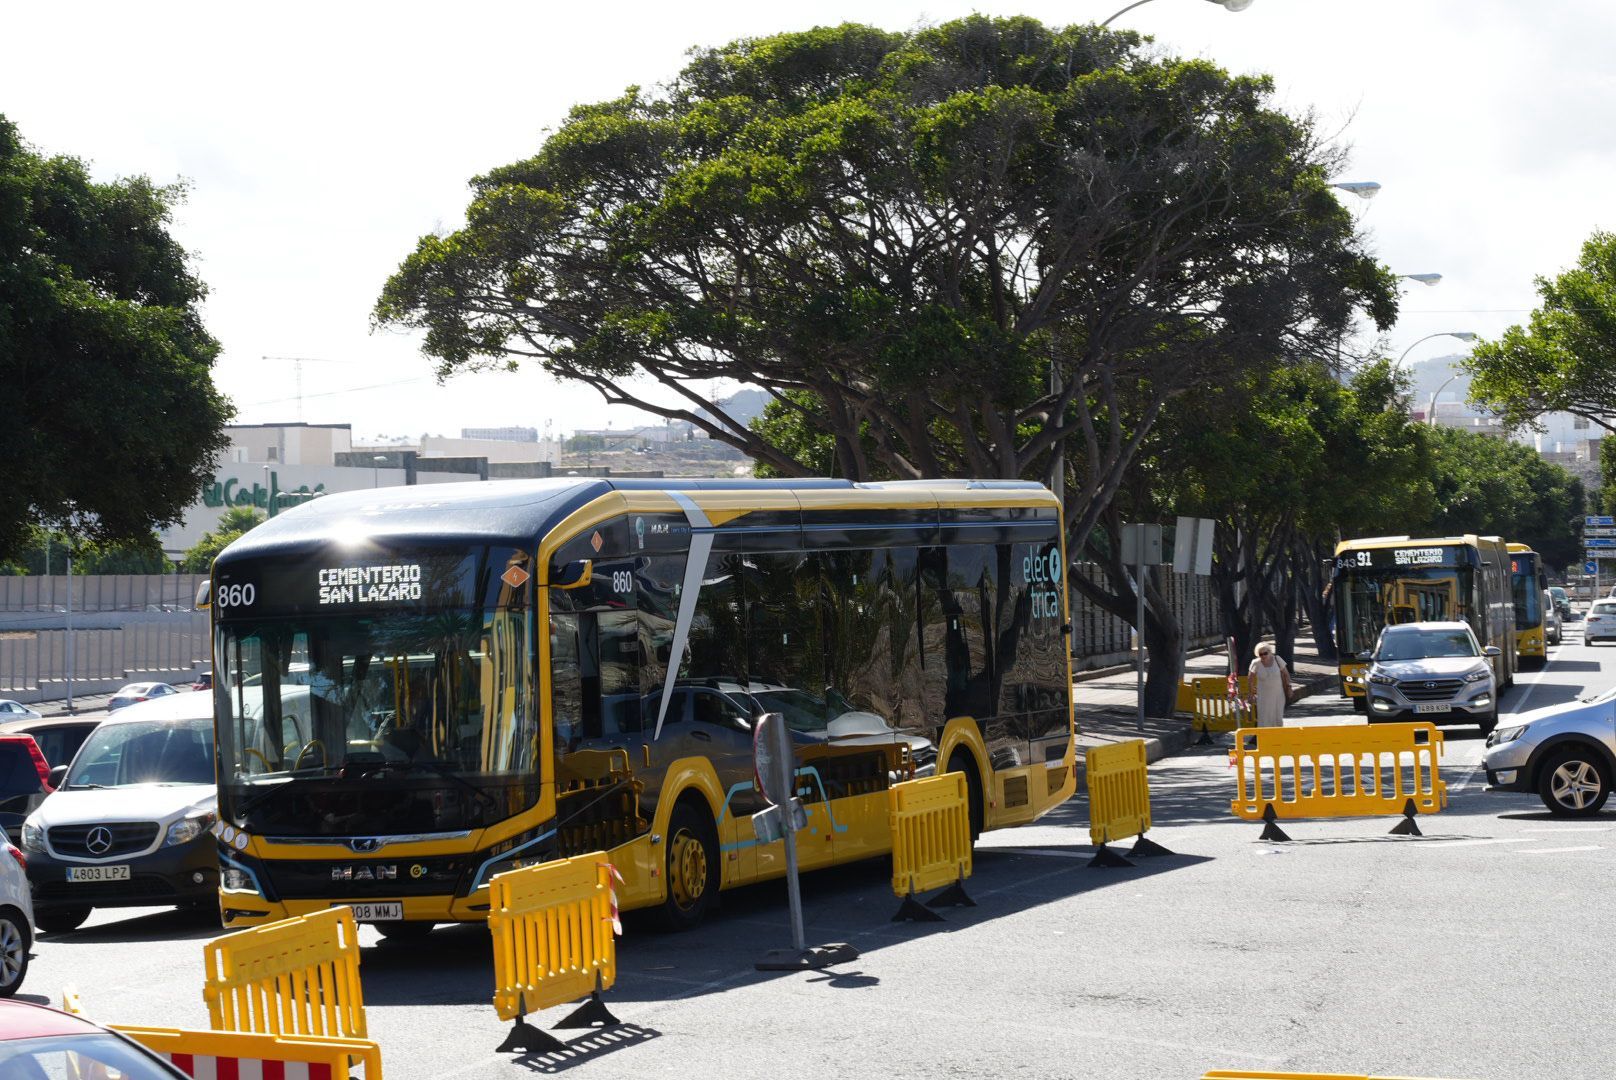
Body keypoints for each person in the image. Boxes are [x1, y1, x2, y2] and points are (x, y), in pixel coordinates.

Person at [1248, 642, 1294, 728]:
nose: (1263, 656)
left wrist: (1289, 687)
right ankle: (1264, 739)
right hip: (1263, 697)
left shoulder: (1277, 659)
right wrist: (1251, 693)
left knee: (1278, 719)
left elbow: (1287, 675)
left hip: (1278, 695)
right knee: (1264, 719)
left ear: (1270, 651)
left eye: (1265, 653)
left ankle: (1277, 739)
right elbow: (1250, 679)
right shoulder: (1255, 663)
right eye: (1260, 654)